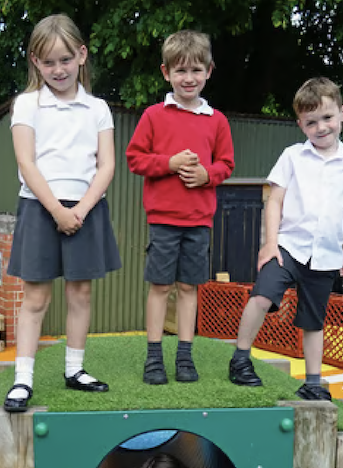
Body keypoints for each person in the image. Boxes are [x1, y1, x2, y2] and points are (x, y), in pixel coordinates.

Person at [3, 14, 121, 413]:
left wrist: (80, 210)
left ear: (82, 55)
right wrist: (56, 210)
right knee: (35, 296)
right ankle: (23, 379)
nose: (58, 69)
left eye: (66, 60)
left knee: (80, 292)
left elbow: (106, 165)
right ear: (35, 62)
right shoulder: (27, 104)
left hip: (86, 209)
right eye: (49, 62)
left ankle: (75, 370)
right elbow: (26, 162)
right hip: (40, 207)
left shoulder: (97, 108)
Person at [227, 77, 343, 400]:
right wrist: (270, 243)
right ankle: (240, 359)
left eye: (327, 117)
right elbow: (275, 200)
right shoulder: (292, 156)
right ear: (300, 125)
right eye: (311, 122)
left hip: (326, 254)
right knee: (262, 295)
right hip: (287, 247)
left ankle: (313, 383)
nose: (321, 127)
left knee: (314, 319)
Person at [126, 30, 235, 385]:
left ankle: (185, 358)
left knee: (189, 288)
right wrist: (169, 163)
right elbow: (134, 158)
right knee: (160, 287)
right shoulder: (153, 116)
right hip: (163, 220)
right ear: (166, 73)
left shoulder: (217, 120)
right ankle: (154, 358)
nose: (189, 78)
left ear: (209, 71)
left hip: (199, 221)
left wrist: (207, 175)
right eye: (181, 70)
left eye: (196, 70)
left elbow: (226, 164)